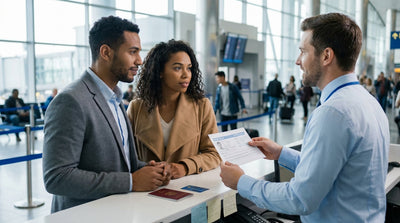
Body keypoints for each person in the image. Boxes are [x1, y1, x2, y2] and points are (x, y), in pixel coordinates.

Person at [220, 13, 389, 222]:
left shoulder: (333, 113)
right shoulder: (369, 102)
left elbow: (300, 199)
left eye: (303, 51)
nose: (298, 61)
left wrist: (241, 182)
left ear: (326, 56)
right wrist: (281, 153)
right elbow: (327, 168)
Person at [42, 16, 170, 213]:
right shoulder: (70, 101)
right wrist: (130, 181)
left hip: (117, 212)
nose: (140, 60)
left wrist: (150, 170)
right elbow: (57, 177)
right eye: (132, 52)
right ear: (106, 52)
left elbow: (122, 164)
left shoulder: (115, 99)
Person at [127, 40, 221, 179]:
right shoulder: (136, 108)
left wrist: (185, 167)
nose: (186, 74)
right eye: (178, 68)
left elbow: (214, 154)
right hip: (147, 189)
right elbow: (126, 155)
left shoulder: (201, 106)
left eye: (189, 68)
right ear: (160, 72)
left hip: (187, 188)